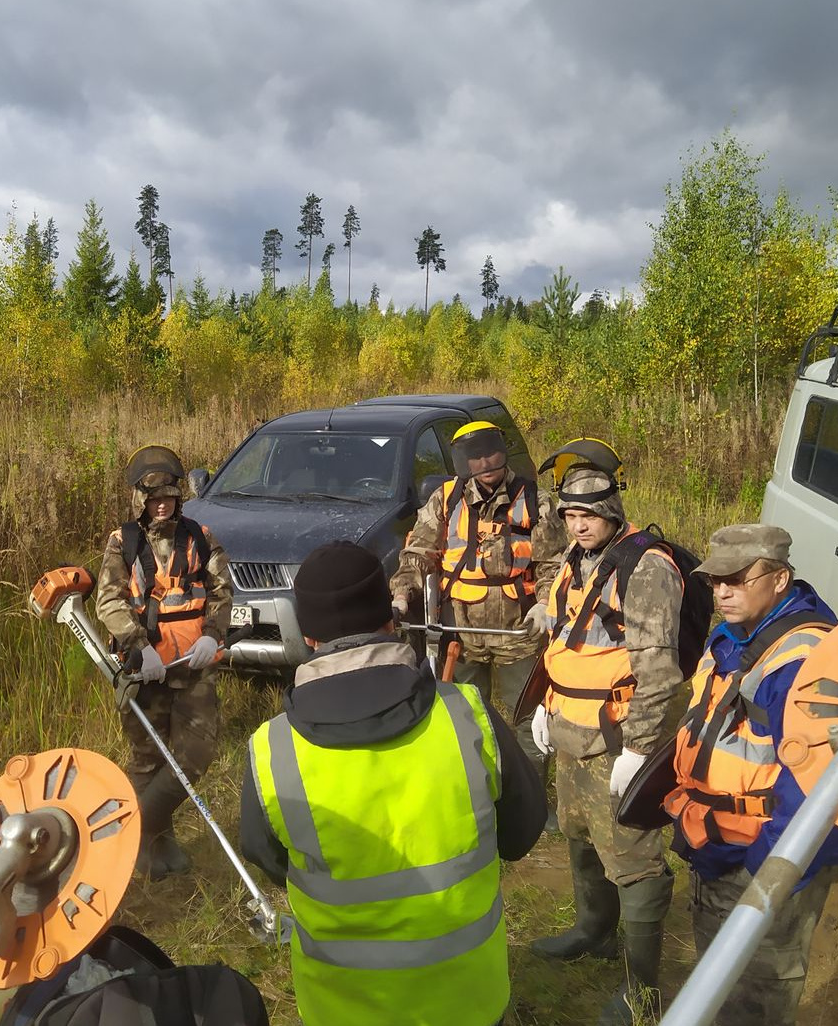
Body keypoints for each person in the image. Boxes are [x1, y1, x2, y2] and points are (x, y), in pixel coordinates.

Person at [241, 540, 546, 1026]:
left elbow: (271, 860)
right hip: (470, 1001)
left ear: (310, 637)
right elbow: (522, 833)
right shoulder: (468, 715)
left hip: (342, 1009)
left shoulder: (271, 750)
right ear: (390, 621)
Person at [525, 445, 685, 1024]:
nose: (579, 523)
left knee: (635, 860)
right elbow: (568, 640)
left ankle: (643, 992)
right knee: (579, 833)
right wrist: (546, 702)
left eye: (589, 513)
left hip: (618, 741)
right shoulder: (574, 558)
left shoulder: (646, 569)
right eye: (569, 514)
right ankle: (593, 930)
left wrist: (639, 749)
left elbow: (659, 671)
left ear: (614, 510)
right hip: (570, 732)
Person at [663, 524, 838, 1026]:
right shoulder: (734, 632)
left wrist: (769, 874)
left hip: (762, 857)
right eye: (715, 581)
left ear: (780, 579)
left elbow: (815, 788)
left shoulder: (803, 661)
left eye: (738, 579)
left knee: (754, 994)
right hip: (718, 843)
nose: (722, 591)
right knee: (720, 983)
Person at [390, 420, 563, 788]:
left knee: (528, 719)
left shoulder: (536, 501)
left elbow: (553, 564)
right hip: (462, 635)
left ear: (504, 452)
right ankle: (474, 789)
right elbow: (419, 552)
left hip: (520, 633)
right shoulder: (446, 499)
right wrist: (403, 592)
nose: (485, 463)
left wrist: (545, 605)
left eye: (491, 453)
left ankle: (530, 797)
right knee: (463, 716)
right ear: (464, 461)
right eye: (475, 456)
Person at [95, 446, 232, 880]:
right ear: (140, 499)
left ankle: (138, 833)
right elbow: (108, 601)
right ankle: (157, 849)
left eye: (169, 497)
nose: (162, 504)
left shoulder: (200, 536)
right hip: (145, 670)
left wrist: (213, 635)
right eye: (154, 498)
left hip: (194, 666)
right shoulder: (123, 542)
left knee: (195, 754)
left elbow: (222, 591)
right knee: (148, 761)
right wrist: (139, 646)